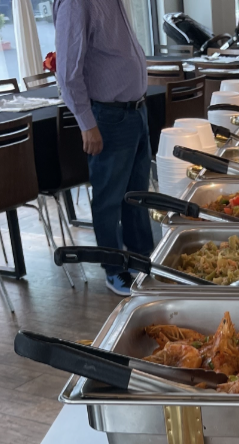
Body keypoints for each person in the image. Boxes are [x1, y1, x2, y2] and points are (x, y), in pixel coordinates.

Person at [53, 0, 154, 294]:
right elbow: (68, 73)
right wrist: (87, 123)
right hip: (109, 116)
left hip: (136, 111)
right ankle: (114, 269)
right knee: (109, 199)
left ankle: (140, 259)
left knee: (137, 196)